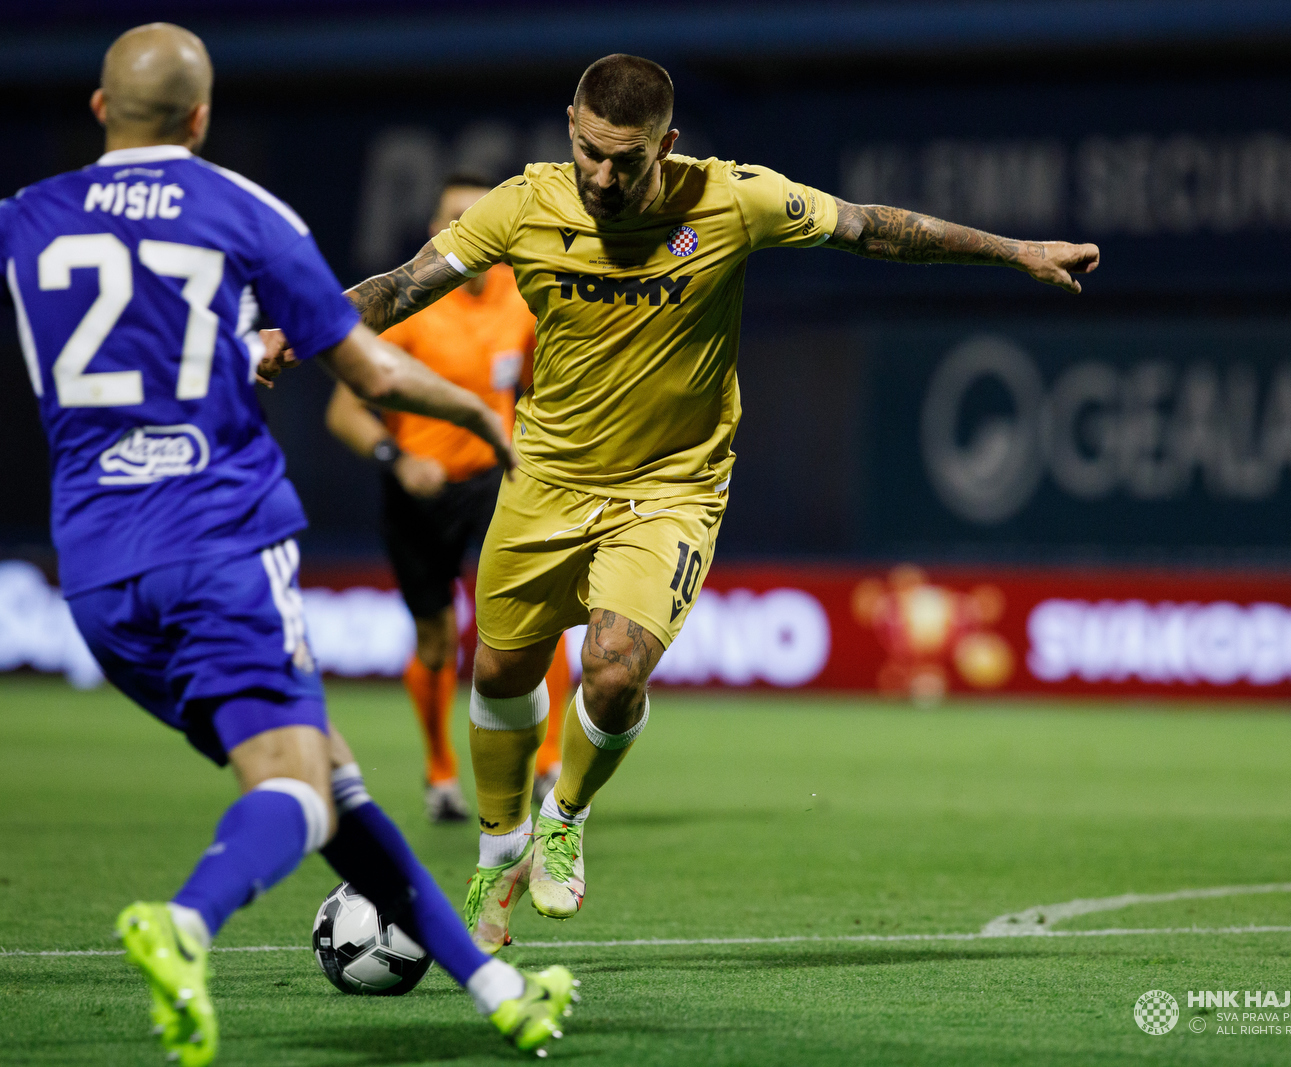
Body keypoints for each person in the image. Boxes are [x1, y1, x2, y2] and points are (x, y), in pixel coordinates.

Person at [0, 24, 575, 1065]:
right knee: (295, 786)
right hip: (219, 541)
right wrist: (480, 417)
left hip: (97, 573)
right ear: (199, 118)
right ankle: (185, 921)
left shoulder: (20, 218)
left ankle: (498, 990)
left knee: (329, 779)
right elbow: (371, 374)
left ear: (101, 111)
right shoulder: (241, 209)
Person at [258, 53, 1099, 953]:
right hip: (544, 476)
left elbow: (870, 228)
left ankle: (565, 815)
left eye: (625, 158)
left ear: (670, 143)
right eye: (588, 151)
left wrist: (1014, 250)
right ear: (570, 126)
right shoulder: (520, 204)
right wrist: (296, 333)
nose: (602, 177)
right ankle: (498, 850)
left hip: (672, 485)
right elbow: (399, 287)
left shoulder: (735, 201)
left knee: (615, 667)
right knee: (500, 671)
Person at [325, 173, 572, 825]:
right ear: (436, 234)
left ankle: (550, 766)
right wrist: (397, 457)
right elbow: (344, 410)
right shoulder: (407, 311)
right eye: (451, 219)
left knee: (541, 619)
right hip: (420, 491)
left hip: (498, 481)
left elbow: (549, 385)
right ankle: (440, 773)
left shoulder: (522, 302)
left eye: (475, 217)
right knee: (436, 639)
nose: (463, 229)